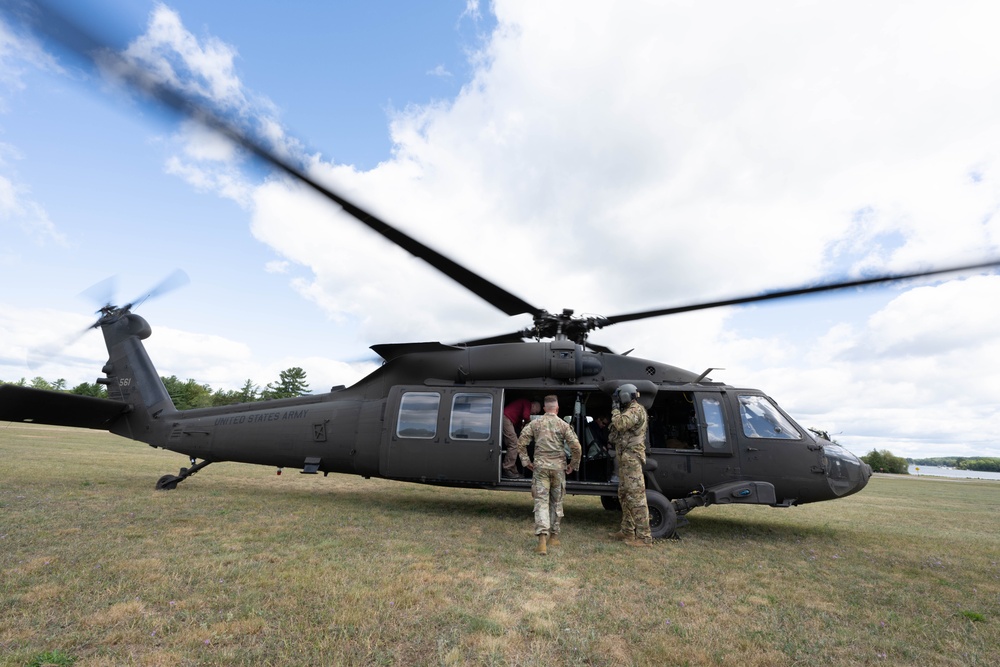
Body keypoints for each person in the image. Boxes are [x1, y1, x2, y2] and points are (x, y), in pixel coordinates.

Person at [516, 395, 582, 555]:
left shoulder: (536, 424)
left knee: (541, 502)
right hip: (558, 469)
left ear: (545, 409)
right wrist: (573, 465)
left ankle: (542, 542)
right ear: (557, 409)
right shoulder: (563, 425)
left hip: (540, 469)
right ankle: (554, 536)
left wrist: (526, 461)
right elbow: (576, 447)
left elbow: (521, 442)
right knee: (556, 502)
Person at [608, 383, 652, 547]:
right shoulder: (630, 411)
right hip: (626, 460)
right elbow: (616, 433)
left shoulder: (635, 410)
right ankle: (627, 531)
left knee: (636, 498)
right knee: (625, 496)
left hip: (632, 459)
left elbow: (620, 424)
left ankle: (644, 538)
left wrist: (614, 409)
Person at [502, 398, 541, 478]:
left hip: (507, 419)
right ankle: (507, 468)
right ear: (533, 405)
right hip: (506, 418)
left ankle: (513, 470)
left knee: (515, 442)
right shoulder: (527, 403)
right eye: (535, 411)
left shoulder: (520, 409)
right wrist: (531, 425)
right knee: (514, 444)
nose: (533, 413)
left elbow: (519, 425)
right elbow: (526, 416)